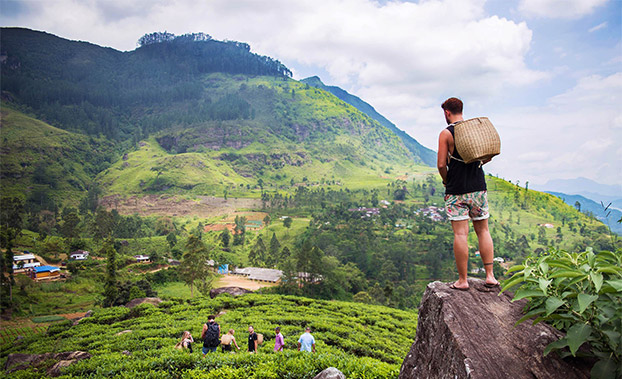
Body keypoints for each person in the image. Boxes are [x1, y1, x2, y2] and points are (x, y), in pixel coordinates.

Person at [437, 97, 499, 291]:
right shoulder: (474, 130)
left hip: (456, 190)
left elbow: (440, 164)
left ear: (447, 112)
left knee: (461, 234)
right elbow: (487, 155)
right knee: (483, 230)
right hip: (478, 187)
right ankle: (490, 276)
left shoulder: (446, 133)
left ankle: (463, 281)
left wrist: (447, 180)